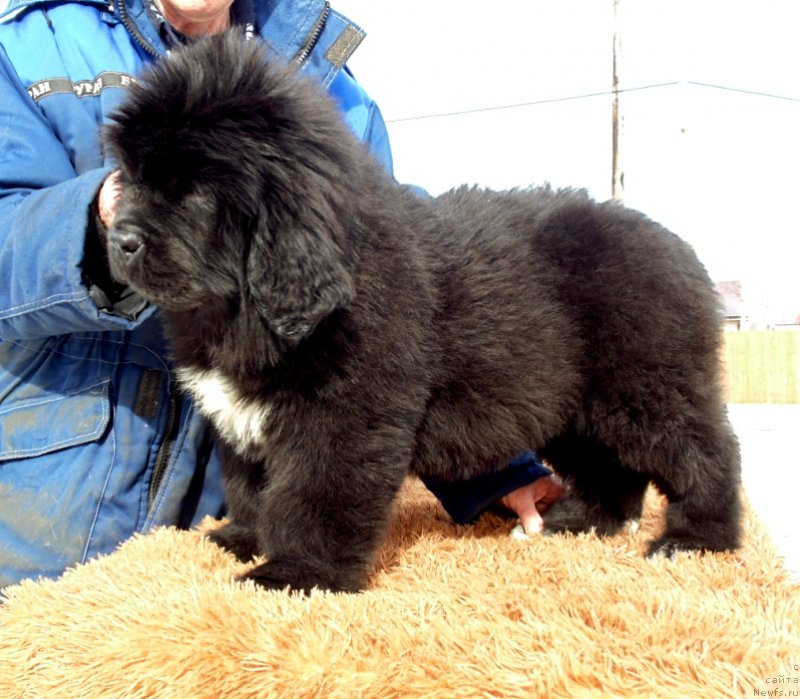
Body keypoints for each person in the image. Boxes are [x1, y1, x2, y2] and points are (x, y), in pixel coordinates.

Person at [0, 0, 563, 588]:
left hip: (253, 518)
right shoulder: (30, 48)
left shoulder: (330, 75)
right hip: (61, 502)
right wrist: (104, 219)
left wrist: (494, 469)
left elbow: (401, 318)